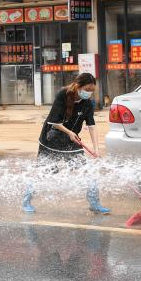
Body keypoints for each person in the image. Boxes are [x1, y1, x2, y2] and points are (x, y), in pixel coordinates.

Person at [22, 72, 109, 214]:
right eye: (87, 89)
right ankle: (26, 201)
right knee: (45, 172)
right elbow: (54, 122)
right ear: (78, 86)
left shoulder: (87, 103)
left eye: (92, 90)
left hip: (71, 140)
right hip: (51, 138)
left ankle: (95, 203)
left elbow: (92, 126)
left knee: (87, 172)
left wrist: (96, 149)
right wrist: (69, 132)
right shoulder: (63, 94)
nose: (89, 93)